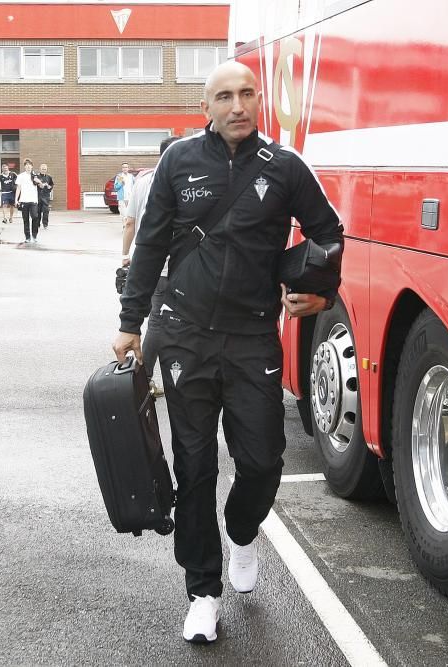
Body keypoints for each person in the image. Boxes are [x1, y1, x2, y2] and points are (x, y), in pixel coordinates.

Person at [112, 60, 342, 645]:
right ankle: (203, 591)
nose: (237, 106)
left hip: (252, 338)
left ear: (258, 100)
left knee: (263, 460)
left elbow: (328, 232)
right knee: (194, 467)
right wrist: (129, 322)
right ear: (205, 106)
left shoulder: (285, 168)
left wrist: (317, 288)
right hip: (186, 334)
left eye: (246, 94)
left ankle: (242, 532)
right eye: (224, 97)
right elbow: (151, 245)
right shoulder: (178, 163)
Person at [121, 137, 179, 381]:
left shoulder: (143, 181)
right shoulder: (183, 180)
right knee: (168, 321)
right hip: (173, 263)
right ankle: (149, 375)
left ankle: (147, 376)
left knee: (156, 320)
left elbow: (130, 222)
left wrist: (126, 254)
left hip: (147, 261)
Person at [15, 159, 40, 243]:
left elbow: (41, 185)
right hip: (24, 201)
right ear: (24, 166)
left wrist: (38, 181)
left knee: (35, 217)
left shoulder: (35, 175)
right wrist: (16, 200)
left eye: (30, 165)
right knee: (25, 219)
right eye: (27, 165)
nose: (28, 166)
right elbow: (18, 188)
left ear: (32, 166)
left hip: (33, 201)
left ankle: (34, 235)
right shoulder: (20, 176)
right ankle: (27, 237)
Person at [33, 164, 54, 230]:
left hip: (46, 196)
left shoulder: (49, 177)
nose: (44, 170)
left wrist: (49, 187)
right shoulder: (37, 176)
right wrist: (39, 185)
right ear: (40, 169)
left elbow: (51, 184)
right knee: (38, 211)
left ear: (46, 169)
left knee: (45, 211)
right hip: (38, 196)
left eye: (45, 169)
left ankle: (45, 224)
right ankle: (37, 224)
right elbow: (34, 184)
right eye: (42, 169)